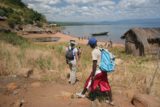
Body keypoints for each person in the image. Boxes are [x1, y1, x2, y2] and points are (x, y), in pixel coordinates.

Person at [76, 38, 114, 105]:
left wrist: (93, 74)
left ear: (91, 45)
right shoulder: (101, 49)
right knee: (106, 84)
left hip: (98, 71)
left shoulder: (94, 51)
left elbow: (94, 63)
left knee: (89, 82)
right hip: (103, 70)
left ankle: (83, 94)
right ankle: (111, 101)